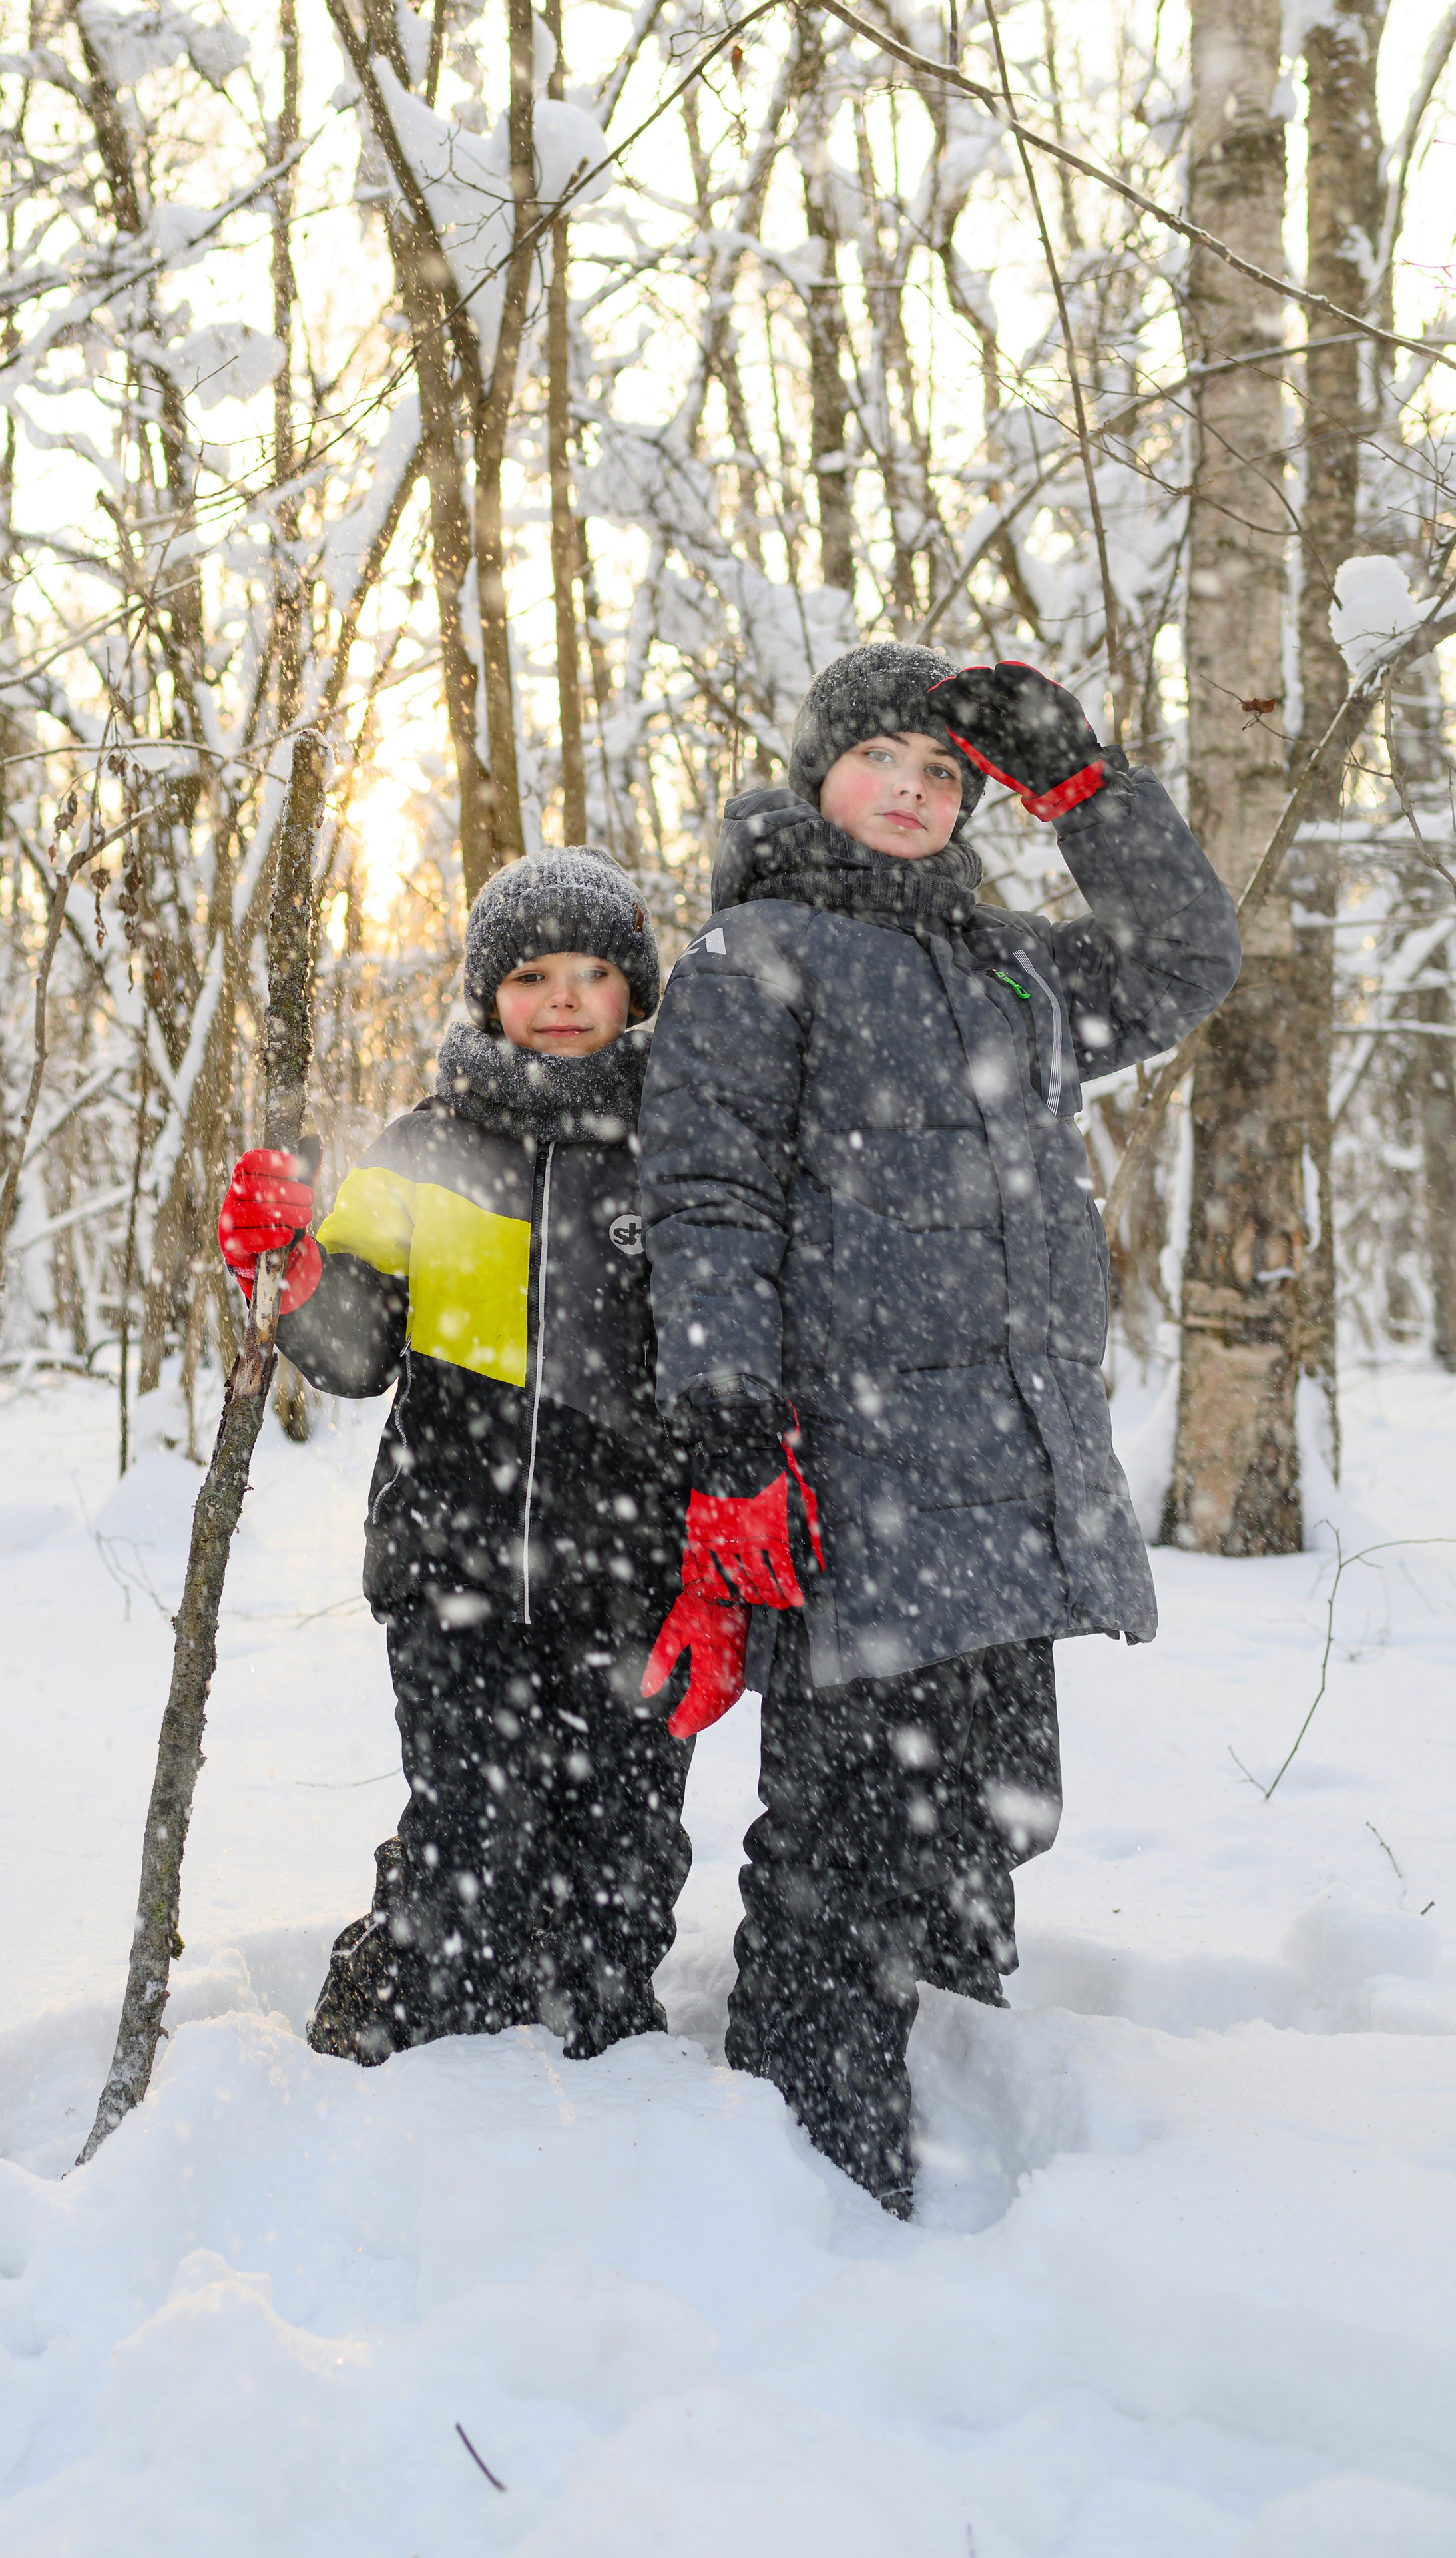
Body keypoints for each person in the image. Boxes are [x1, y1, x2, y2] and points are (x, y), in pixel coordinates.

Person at [636, 645, 1242, 2212]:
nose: (909, 791)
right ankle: (815, 2190)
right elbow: (702, 1197)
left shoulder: (1010, 969)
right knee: (840, 1857)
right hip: (852, 1488)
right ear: (816, 772)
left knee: (982, 1831)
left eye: (941, 772)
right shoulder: (757, 952)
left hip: (1008, 1489)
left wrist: (1086, 788)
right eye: (879, 761)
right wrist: (728, 1426)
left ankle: (975, 2161)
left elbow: (1185, 960)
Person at [218, 847, 696, 2065]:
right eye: (532, 973)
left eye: (595, 971)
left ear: (635, 991)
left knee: (624, 1839)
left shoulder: (681, 1152)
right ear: (490, 993)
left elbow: (725, 1351)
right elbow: (352, 1350)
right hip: (452, 1563)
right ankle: (424, 2021)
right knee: (472, 1827)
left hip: (629, 1572)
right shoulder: (427, 1144)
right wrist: (291, 1262)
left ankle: (610, 2043)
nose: (565, 997)